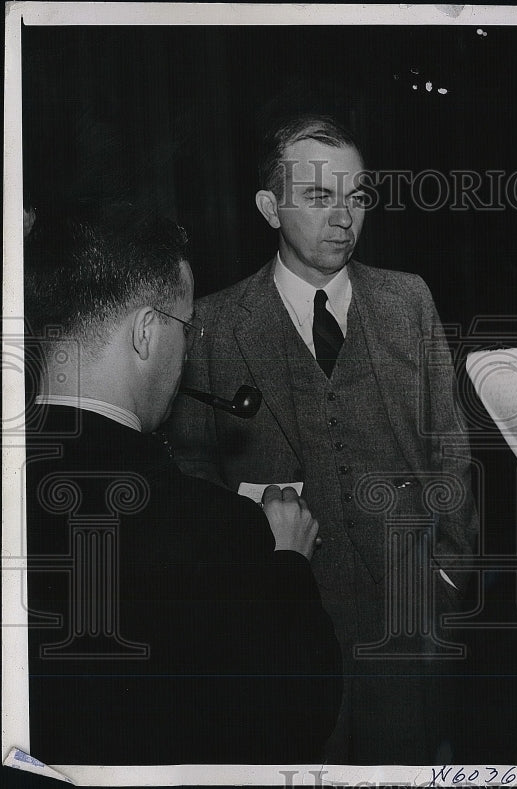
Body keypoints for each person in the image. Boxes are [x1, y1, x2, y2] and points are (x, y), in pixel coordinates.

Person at [165, 113, 479, 764]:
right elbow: (192, 476)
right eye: (318, 196)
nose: (344, 217)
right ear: (268, 207)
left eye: (356, 196)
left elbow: (449, 446)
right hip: (283, 633)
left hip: (407, 629)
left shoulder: (406, 300)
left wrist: (449, 578)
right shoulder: (213, 326)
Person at [23, 203, 342, 765]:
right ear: (146, 331)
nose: (188, 348)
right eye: (185, 327)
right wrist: (284, 564)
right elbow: (291, 723)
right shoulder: (214, 530)